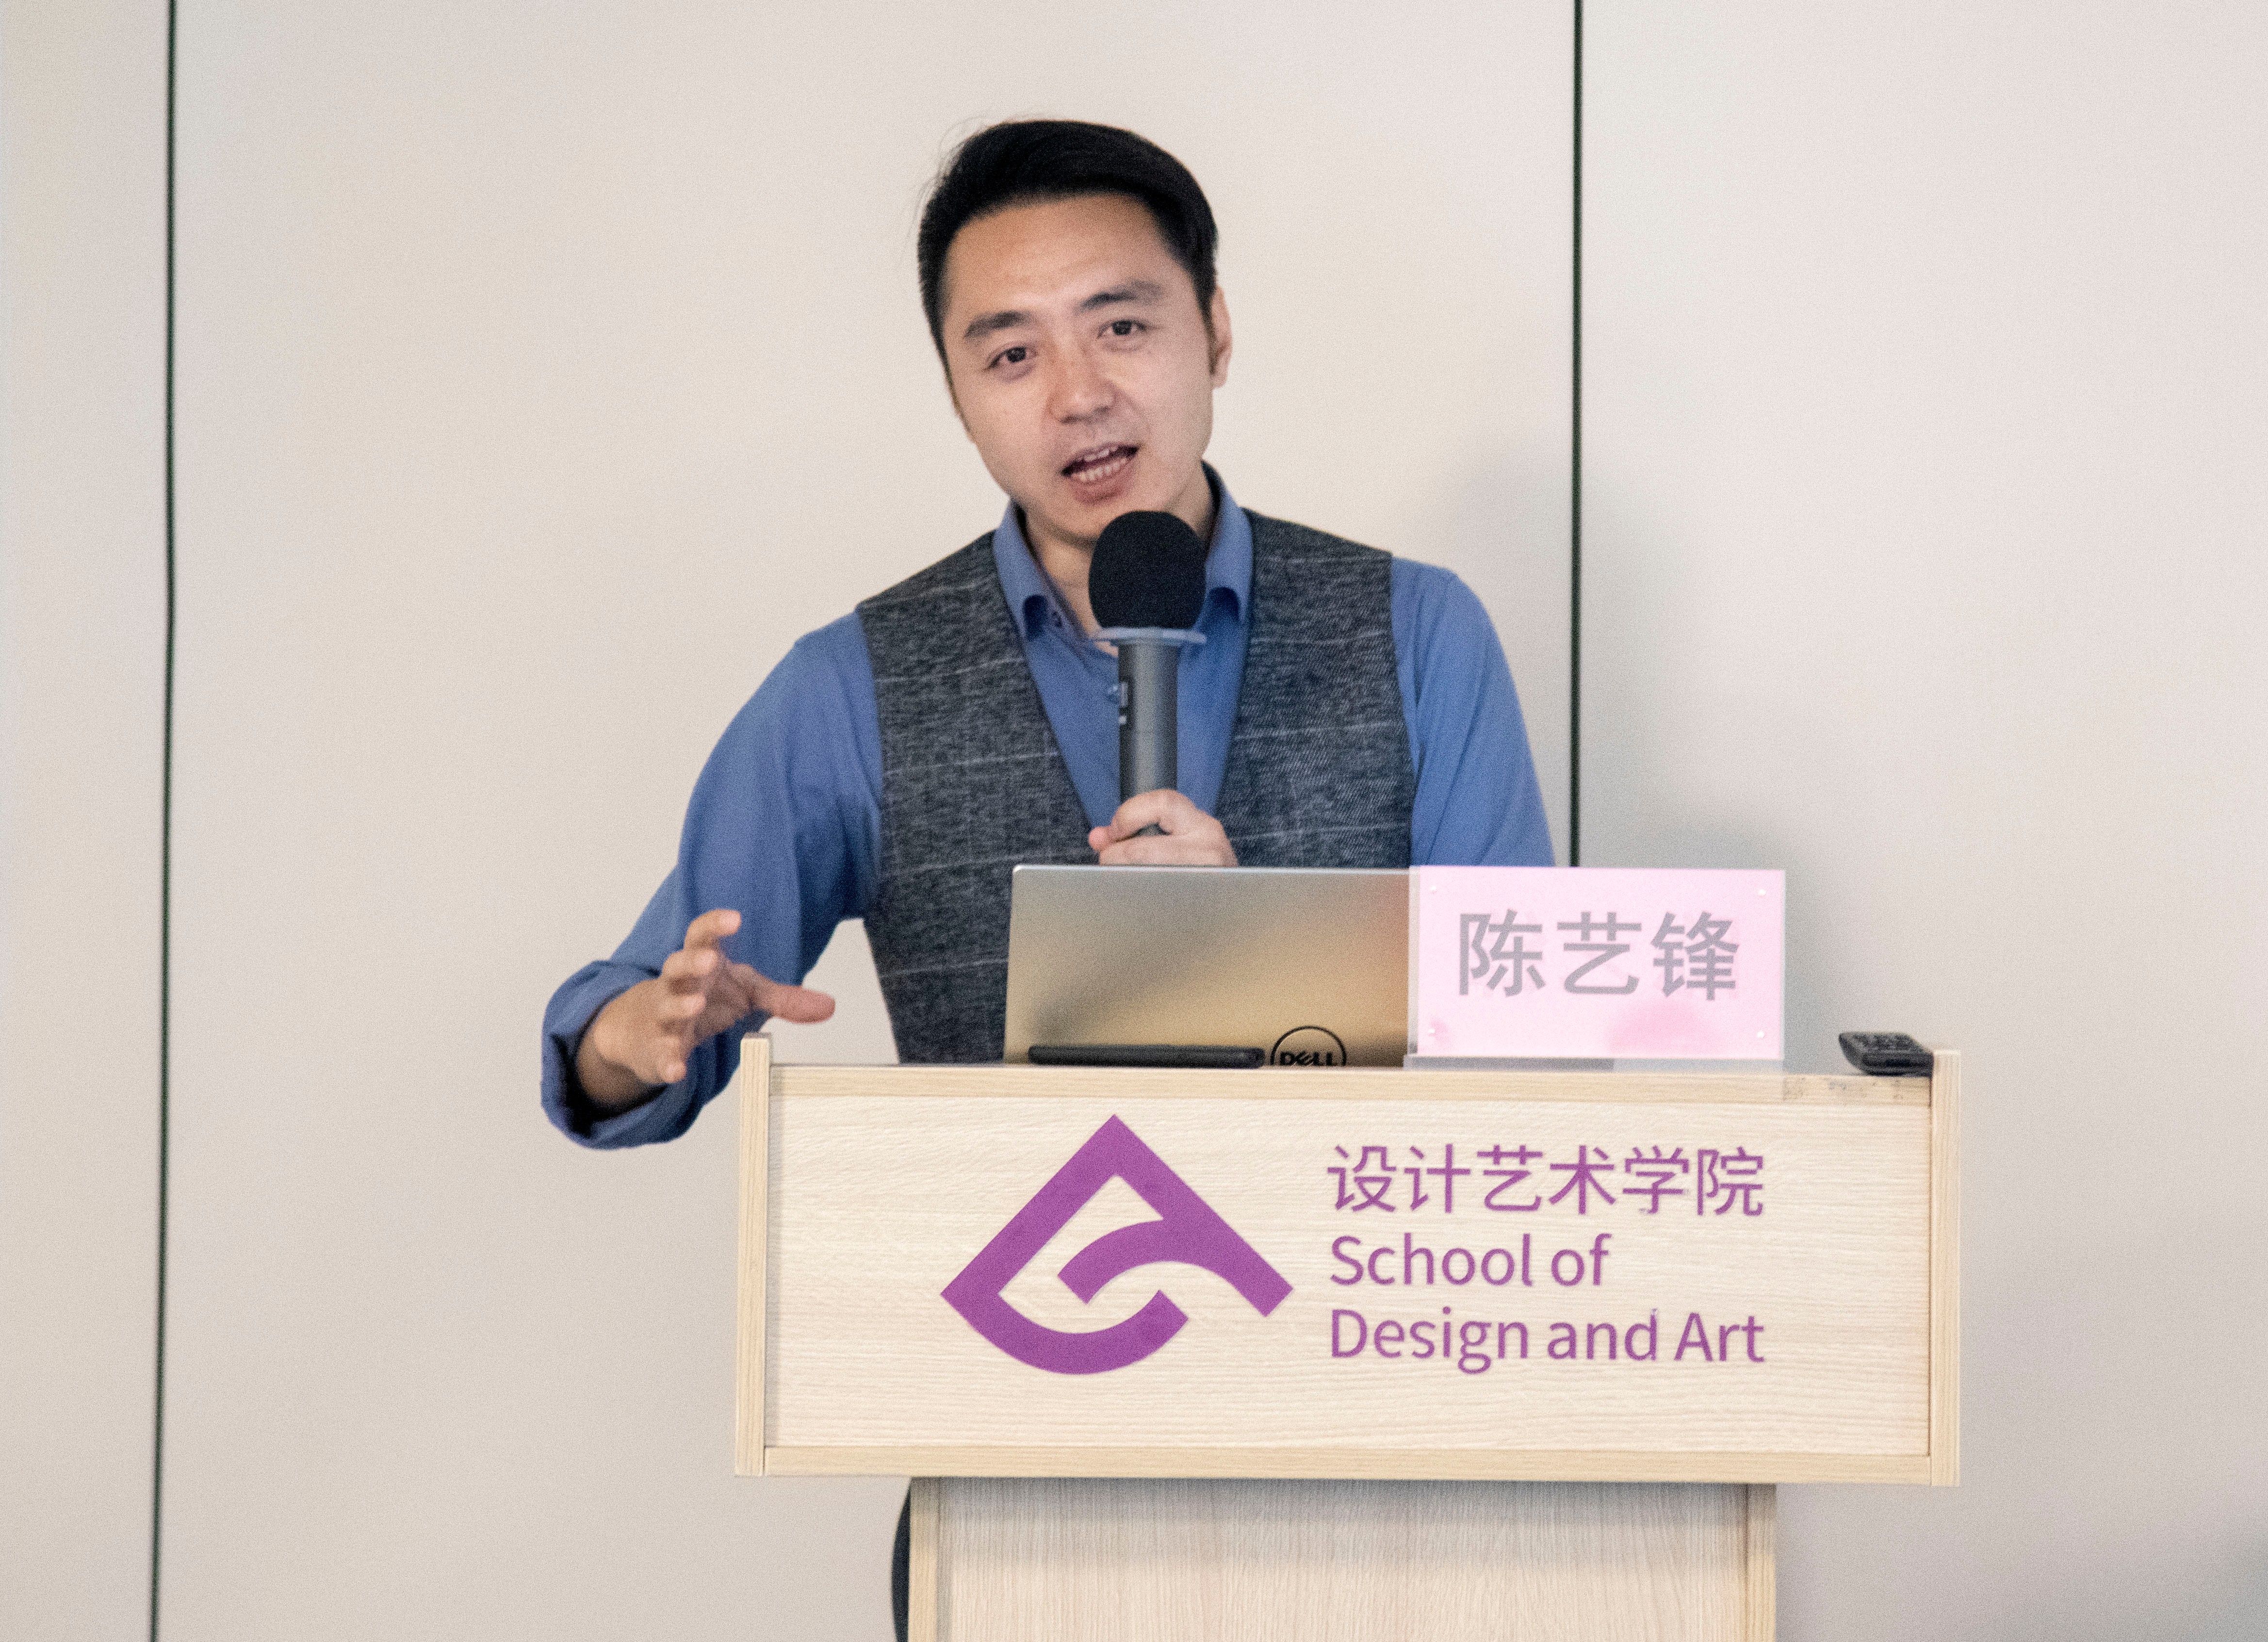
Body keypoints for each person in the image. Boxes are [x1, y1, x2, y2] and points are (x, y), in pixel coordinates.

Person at [538, 116, 1554, 1641]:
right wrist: (638, 1035)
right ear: (958, 397)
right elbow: (627, 1019)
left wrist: (1259, 955)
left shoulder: (1420, 630)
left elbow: (1533, 1037)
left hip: (1379, 1451)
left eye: (1122, 326)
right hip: (1020, 1454)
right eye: (1011, 353)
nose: (1078, 393)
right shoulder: (850, 686)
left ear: (1215, 331)